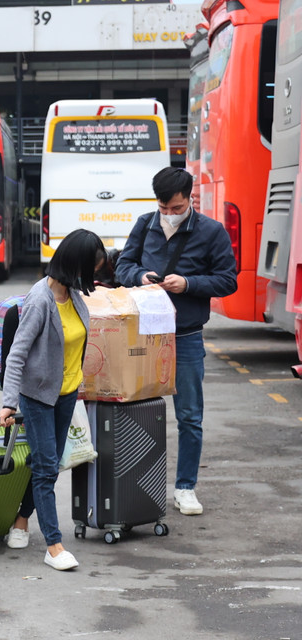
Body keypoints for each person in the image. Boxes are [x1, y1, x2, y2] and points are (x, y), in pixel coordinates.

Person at [116, 167, 237, 516]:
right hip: (145, 336)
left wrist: (188, 284)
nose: (169, 214)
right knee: (135, 414)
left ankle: (185, 487)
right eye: (163, 207)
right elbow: (123, 267)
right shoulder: (145, 224)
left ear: (190, 198)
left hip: (185, 336)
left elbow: (228, 280)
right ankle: (136, 488)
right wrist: (140, 276)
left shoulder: (211, 231)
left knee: (189, 417)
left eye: (177, 208)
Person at [0, 228, 105, 571]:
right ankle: (54, 546)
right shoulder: (40, 301)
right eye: (91, 269)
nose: (93, 277)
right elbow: (16, 355)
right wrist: (9, 403)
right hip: (38, 397)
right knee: (46, 469)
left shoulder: (73, 295)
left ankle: (21, 519)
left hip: (68, 393)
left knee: (48, 463)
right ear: (76, 265)